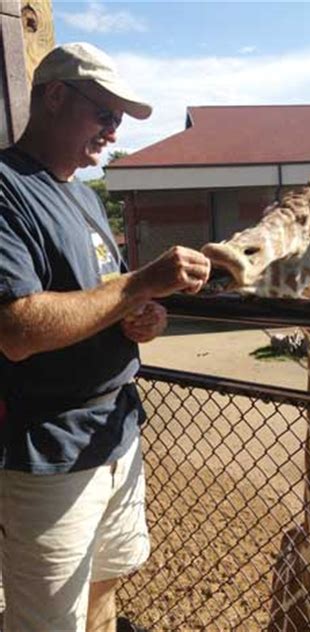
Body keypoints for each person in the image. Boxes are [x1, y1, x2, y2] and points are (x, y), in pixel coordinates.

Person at [0, 42, 210, 632]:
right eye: (106, 115)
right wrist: (140, 281)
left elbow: (103, 298)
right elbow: (16, 329)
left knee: (104, 586)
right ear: (56, 96)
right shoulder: (7, 188)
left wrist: (143, 314)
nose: (113, 133)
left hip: (117, 434)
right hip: (50, 452)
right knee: (46, 620)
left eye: (118, 121)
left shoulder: (81, 198)